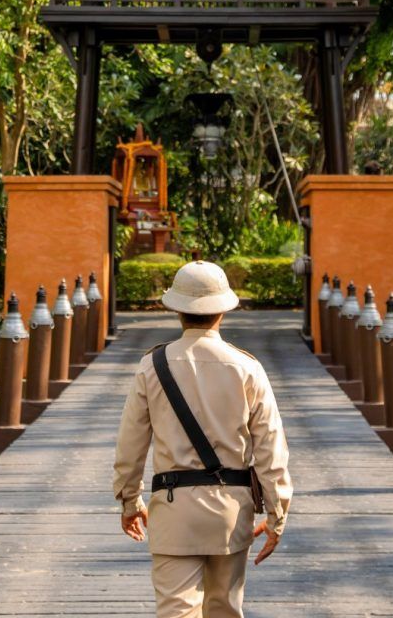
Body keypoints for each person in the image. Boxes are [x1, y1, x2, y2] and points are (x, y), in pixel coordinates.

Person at [113, 260, 292, 618]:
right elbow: (272, 450)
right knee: (225, 610)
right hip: (231, 511)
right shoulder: (247, 369)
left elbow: (130, 445)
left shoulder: (153, 366)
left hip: (173, 509)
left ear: (177, 309)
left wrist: (130, 501)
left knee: (175, 613)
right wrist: (277, 516)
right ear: (223, 310)